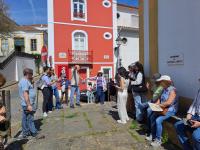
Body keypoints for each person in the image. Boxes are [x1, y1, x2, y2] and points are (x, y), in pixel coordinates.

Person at [149, 75, 178, 147]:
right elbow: (159, 99)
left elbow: (169, 102)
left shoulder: (173, 90)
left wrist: (159, 106)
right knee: (152, 116)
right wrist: (156, 105)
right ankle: (153, 135)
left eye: (162, 82)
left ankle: (158, 140)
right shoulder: (163, 89)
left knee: (158, 120)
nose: (160, 83)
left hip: (171, 109)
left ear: (166, 82)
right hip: (162, 108)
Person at [18, 68, 38, 139]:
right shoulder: (24, 81)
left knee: (25, 118)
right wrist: (29, 105)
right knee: (30, 118)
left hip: (26, 103)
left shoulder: (26, 81)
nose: (32, 75)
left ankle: (25, 132)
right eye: (31, 74)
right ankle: (34, 132)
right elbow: (25, 93)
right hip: (27, 103)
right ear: (28, 74)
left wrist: (31, 82)